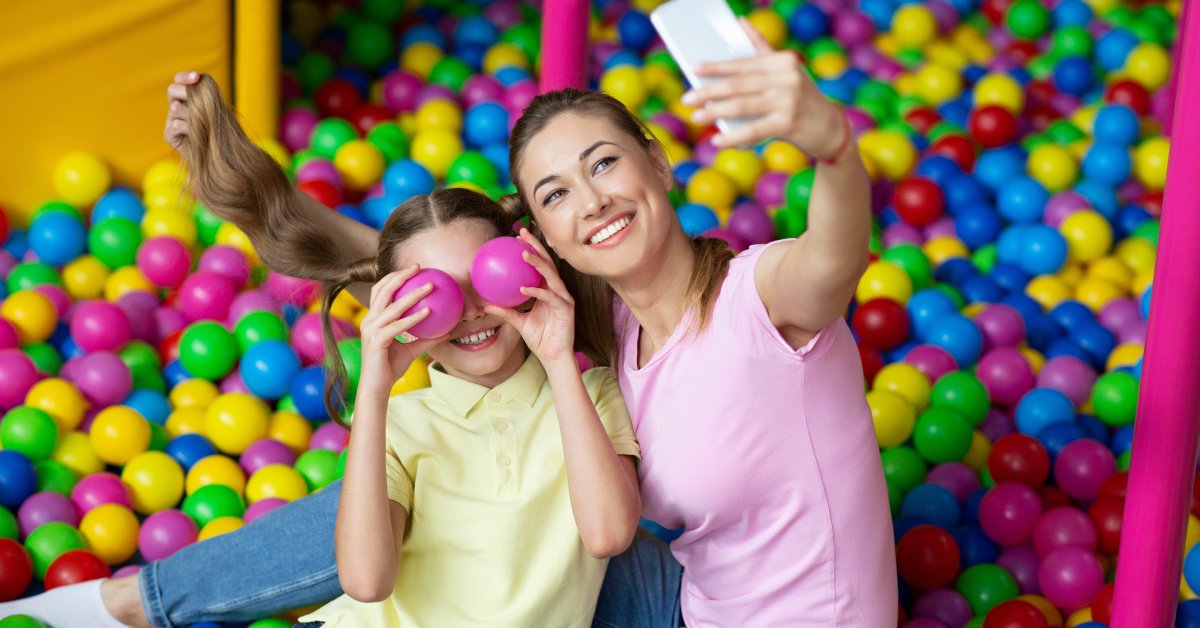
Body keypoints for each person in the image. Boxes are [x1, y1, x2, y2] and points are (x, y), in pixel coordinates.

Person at [5, 18, 895, 627]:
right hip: (676, 601)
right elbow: (420, 270)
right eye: (556, 193)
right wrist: (255, 195)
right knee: (459, 463)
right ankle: (134, 603)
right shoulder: (603, 327)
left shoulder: (760, 300)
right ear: (536, 234)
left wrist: (832, 144)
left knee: (472, 474)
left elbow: (833, 251)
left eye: (606, 164)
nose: (592, 203)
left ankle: (137, 603)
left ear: (656, 164)